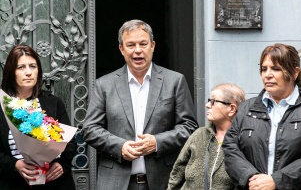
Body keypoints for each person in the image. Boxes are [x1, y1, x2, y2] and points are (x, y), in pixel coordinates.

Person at [81, 19, 198, 190]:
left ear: (153, 45)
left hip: (163, 181)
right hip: (115, 182)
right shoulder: (104, 85)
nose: (137, 51)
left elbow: (189, 126)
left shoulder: (175, 81)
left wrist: (157, 142)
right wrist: (120, 147)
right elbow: (90, 129)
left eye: (143, 44)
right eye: (131, 45)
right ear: (121, 49)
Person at [222, 44, 301, 190]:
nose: (267, 74)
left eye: (276, 69)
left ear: (294, 72)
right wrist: (252, 179)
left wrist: (276, 181)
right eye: (264, 69)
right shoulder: (246, 108)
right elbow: (230, 148)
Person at [0, 45, 76, 189]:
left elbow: (70, 143)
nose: (28, 72)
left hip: (54, 182)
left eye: (33, 66)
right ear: (11, 72)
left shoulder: (53, 102)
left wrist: (62, 164)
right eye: (21, 67)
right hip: (14, 183)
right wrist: (15, 165)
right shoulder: (3, 105)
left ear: (38, 70)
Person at [167, 83, 246, 190]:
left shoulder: (245, 141)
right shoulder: (199, 135)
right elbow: (178, 172)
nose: (207, 105)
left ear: (232, 109)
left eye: (213, 101)